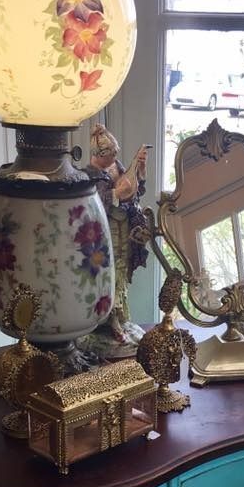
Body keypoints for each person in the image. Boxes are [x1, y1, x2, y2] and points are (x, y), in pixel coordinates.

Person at [84, 124, 151, 350]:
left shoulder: (117, 166)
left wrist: (139, 171)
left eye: (116, 152)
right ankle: (108, 318)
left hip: (124, 226)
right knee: (108, 271)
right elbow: (90, 204)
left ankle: (121, 315)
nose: (115, 156)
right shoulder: (89, 175)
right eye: (111, 153)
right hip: (105, 231)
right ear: (98, 155)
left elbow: (134, 191)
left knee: (121, 269)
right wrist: (114, 194)